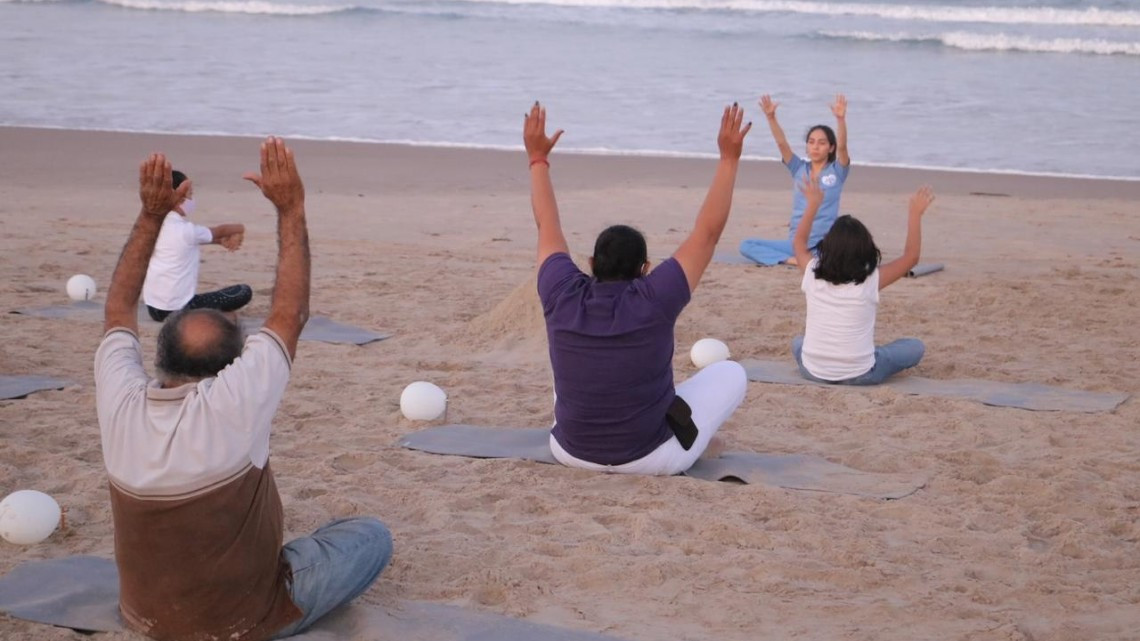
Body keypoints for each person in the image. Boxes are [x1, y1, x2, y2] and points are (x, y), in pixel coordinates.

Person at [95, 140, 391, 641]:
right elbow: (289, 315)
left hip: (143, 614)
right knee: (371, 537)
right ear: (232, 367)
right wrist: (291, 207)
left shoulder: (120, 398)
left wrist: (150, 216)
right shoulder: (234, 404)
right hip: (241, 621)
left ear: (161, 354)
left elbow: (118, 311)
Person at [525, 101, 750, 476]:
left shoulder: (560, 291)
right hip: (650, 459)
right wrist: (728, 159)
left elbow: (545, 223)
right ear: (645, 269)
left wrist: (537, 159)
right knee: (731, 374)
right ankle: (694, 442)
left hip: (570, 451)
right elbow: (707, 234)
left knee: (577, 370)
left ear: (592, 265)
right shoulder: (655, 296)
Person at [790, 174, 935, 385]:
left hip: (812, 370)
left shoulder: (812, 271)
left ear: (828, 247)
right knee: (915, 347)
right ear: (865, 249)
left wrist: (813, 204)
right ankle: (863, 355)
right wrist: (915, 214)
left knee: (797, 343)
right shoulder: (871, 280)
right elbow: (911, 257)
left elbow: (799, 244)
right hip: (861, 373)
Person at [739, 93, 851, 266]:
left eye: (821, 143)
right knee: (747, 245)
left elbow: (843, 148)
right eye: (811, 142)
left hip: (825, 246)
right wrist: (771, 117)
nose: (815, 146)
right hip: (796, 246)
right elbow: (782, 144)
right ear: (806, 146)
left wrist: (840, 120)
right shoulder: (799, 168)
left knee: (850, 257)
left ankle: (812, 261)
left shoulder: (837, 171)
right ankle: (794, 261)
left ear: (831, 148)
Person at [142, 168, 253, 322]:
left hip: (153, 308)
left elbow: (184, 243)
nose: (191, 200)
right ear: (179, 199)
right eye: (190, 195)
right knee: (242, 291)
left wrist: (220, 242)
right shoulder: (186, 230)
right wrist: (240, 229)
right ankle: (214, 316)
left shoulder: (155, 225)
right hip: (178, 308)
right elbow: (220, 230)